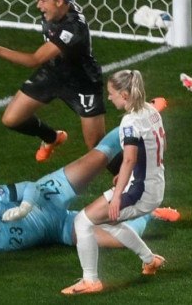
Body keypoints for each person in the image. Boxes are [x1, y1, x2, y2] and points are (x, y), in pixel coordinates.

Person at [0, 113, 179, 266]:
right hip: (59, 229)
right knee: (119, 241)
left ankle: (141, 117)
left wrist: (24, 207)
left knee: (99, 156)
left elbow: (29, 187)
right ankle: (147, 212)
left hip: (48, 193)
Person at [0, 0, 106, 162]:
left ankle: (129, 171)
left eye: (42, 1)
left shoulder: (73, 28)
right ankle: (52, 138)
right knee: (11, 119)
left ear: (59, 2)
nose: (38, 5)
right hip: (53, 72)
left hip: (82, 82)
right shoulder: (55, 5)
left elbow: (34, 59)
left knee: (97, 148)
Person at [62, 70, 166, 295]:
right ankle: (150, 260)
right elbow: (149, 149)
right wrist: (129, 176)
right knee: (108, 222)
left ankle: (91, 281)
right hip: (152, 182)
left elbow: (129, 158)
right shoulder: (151, 110)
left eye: (112, 94)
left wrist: (118, 195)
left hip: (140, 191)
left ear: (125, 95)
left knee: (82, 222)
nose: (109, 98)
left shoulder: (130, 121)